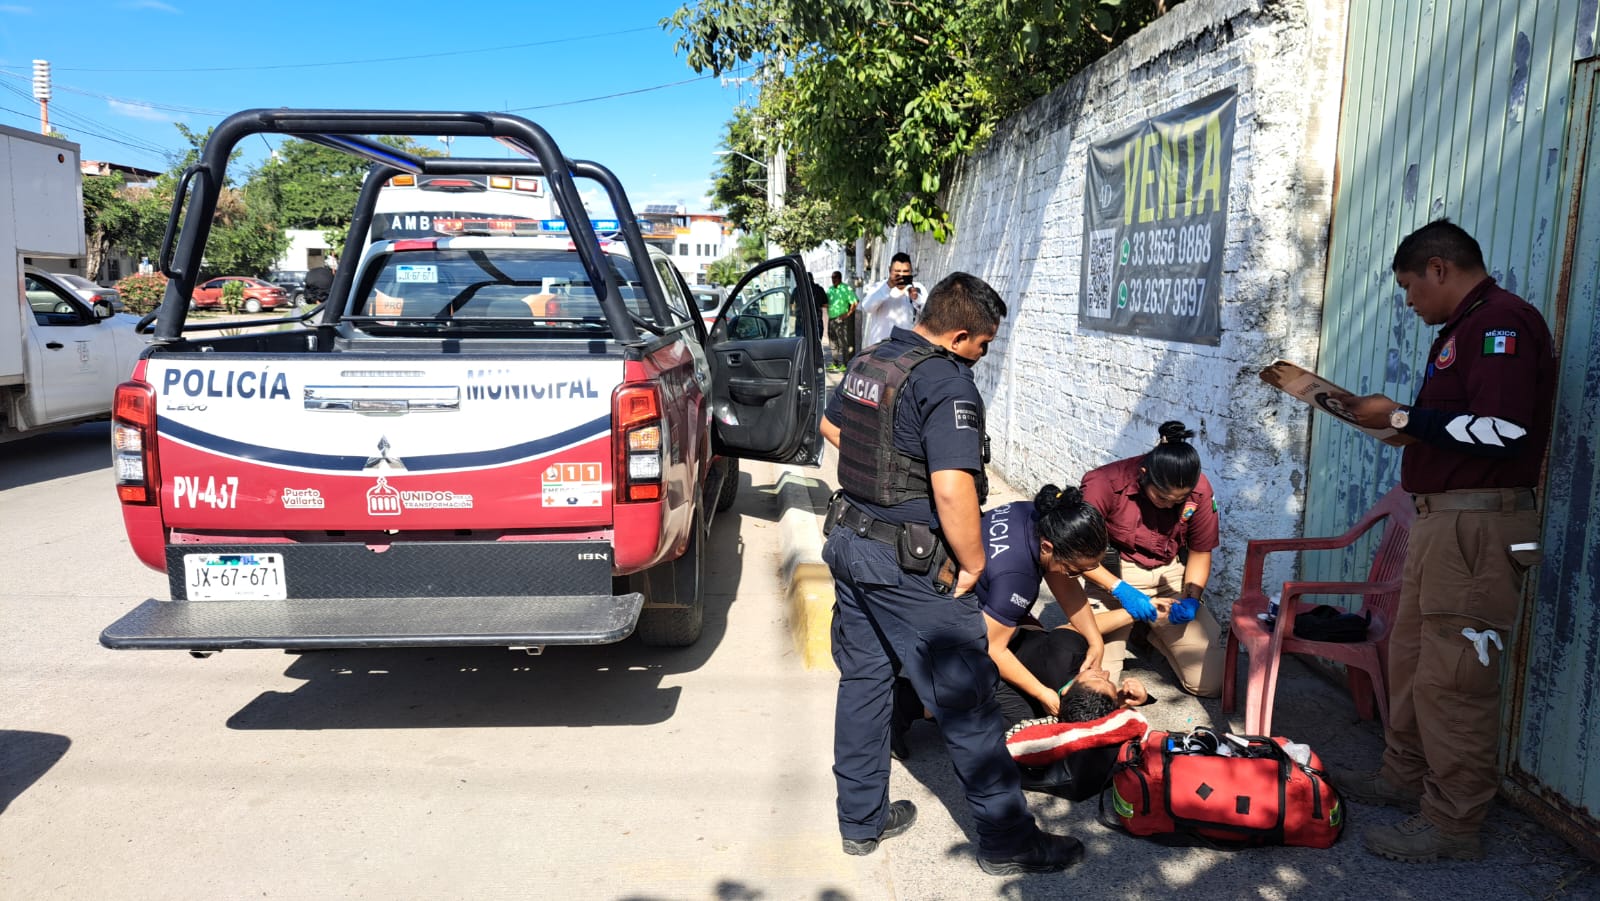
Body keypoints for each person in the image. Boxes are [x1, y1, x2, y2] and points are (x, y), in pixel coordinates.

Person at [820, 271, 1082, 875]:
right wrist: (974, 562)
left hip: (850, 541)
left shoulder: (873, 359)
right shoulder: (945, 383)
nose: (984, 355)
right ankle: (1009, 841)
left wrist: (883, 476)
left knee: (864, 684)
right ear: (960, 333)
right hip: (908, 562)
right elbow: (952, 486)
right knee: (968, 700)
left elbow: (834, 427)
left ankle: (860, 822)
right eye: (983, 344)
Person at [1328, 219, 1554, 863]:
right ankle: (1403, 776)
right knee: (1412, 657)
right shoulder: (1466, 328)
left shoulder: (1501, 324)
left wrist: (1400, 417)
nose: (1408, 302)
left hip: (1477, 526)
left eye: (1408, 287)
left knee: (1456, 677)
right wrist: (1401, 428)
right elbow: (1456, 426)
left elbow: (1505, 431)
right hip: (1444, 520)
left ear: (1438, 267)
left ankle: (1454, 823)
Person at [974, 485, 1157, 727]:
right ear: (1048, 547)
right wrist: (1042, 693)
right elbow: (992, 647)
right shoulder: (1018, 579)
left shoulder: (1041, 517)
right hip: (954, 611)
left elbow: (1065, 583)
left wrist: (1095, 641)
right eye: (1076, 570)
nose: (1080, 576)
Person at [1078, 421, 1225, 698]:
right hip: (1112, 580)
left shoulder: (1200, 490)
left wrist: (1191, 597)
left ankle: (1150, 631)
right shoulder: (1103, 483)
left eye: (1177, 500)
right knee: (1095, 690)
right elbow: (1076, 552)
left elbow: (1200, 551)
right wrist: (1120, 590)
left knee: (1212, 684)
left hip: (1168, 581)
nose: (1170, 505)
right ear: (1144, 475)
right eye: (1163, 497)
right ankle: (1136, 625)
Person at [857, 252, 927, 349]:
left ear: (911, 271)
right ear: (890, 270)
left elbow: (928, 315)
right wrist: (888, 286)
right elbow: (867, 307)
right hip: (881, 350)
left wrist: (916, 298)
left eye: (905, 271)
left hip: (908, 351)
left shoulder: (918, 288)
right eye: (897, 271)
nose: (901, 275)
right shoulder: (879, 287)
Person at [826, 270, 858, 370]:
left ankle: (845, 364)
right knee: (833, 342)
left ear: (840, 278)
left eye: (835, 278)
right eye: (832, 278)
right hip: (831, 319)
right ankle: (835, 363)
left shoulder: (846, 288)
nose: (833, 280)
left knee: (843, 342)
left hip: (841, 319)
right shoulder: (830, 289)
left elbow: (855, 302)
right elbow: (827, 303)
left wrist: (847, 314)